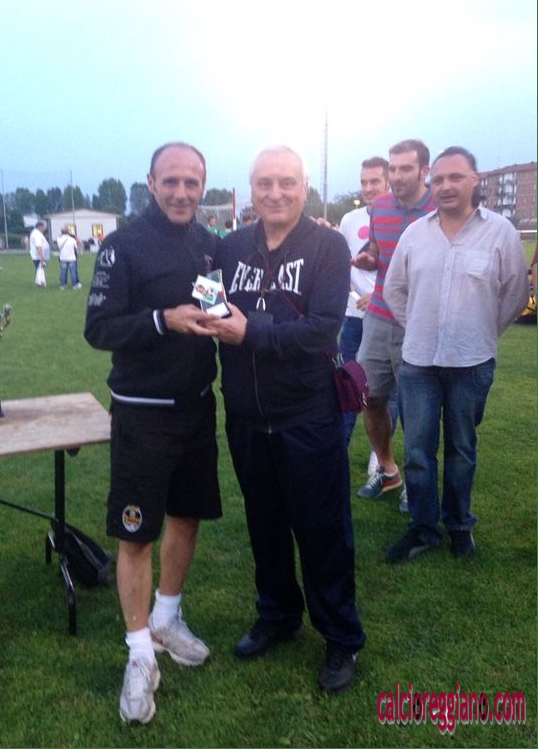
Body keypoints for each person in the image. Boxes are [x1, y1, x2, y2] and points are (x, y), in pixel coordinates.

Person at [208, 145, 366, 694]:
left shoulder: (327, 245)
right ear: (251, 189)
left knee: (323, 531)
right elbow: (209, 304)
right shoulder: (231, 247)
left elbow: (323, 329)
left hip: (307, 415)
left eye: (287, 183)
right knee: (265, 526)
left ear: (304, 188)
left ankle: (341, 636)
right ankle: (277, 615)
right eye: (265, 183)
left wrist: (251, 332)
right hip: (247, 416)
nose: (276, 193)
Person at [83, 142, 223, 725]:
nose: (182, 192)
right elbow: (98, 328)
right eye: (172, 181)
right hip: (142, 412)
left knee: (187, 517)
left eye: (192, 182)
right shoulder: (123, 246)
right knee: (136, 533)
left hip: (197, 407)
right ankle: (139, 651)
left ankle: (167, 617)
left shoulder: (209, 243)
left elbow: (216, 307)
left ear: (203, 185)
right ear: (150, 182)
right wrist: (164, 320)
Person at [383, 146, 529, 562]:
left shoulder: (500, 232)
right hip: (419, 363)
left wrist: (483, 331)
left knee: (462, 449)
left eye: (456, 177)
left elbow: (516, 293)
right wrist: (416, 326)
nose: (445, 186)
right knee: (418, 451)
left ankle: (459, 524)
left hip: (472, 362)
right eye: (439, 179)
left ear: (475, 180)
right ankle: (423, 528)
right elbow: (394, 289)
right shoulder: (416, 234)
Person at [352, 139, 435, 512]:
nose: (398, 176)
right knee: (369, 398)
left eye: (406, 168)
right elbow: (377, 249)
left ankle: (416, 485)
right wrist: (368, 259)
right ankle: (388, 470)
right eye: (394, 168)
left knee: (418, 408)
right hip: (378, 319)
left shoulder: (438, 208)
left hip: (420, 324)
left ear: (424, 171)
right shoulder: (380, 207)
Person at [338, 157, 398, 467]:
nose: (369, 187)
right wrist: (351, 290)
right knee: (347, 384)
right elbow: (340, 262)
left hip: (389, 319)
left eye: (375, 181)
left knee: (385, 394)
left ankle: (379, 458)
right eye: (364, 182)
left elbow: (406, 272)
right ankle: (338, 453)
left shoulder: (400, 219)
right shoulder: (350, 220)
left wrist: (377, 296)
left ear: (388, 182)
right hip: (354, 318)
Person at [29, 220, 49, 285]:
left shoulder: (36, 233)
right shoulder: (37, 234)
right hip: (38, 256)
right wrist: (42, 257)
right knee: (40, 269)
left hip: (38, 255)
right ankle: (40, 283)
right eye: (43, 227)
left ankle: (39, 282)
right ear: (39, 227)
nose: (44, 229)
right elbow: (38, 246)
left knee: (39, 269)